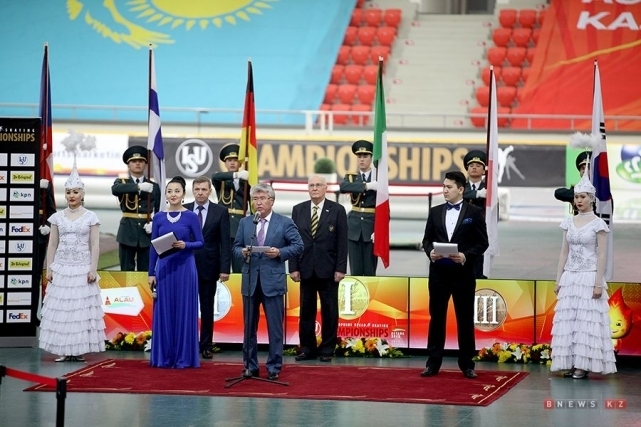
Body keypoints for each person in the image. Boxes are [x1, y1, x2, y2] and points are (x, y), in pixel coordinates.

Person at [420, 171, 489, 379]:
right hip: (438, 274)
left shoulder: (474, 213)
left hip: (463, 274)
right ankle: (433, 363)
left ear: (461, 189)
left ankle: (467, 364)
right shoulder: (435, 212)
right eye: (443, 186)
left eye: (449, 187)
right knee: (437, 318)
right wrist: (430, 252)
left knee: (465, 319)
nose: (445, 190)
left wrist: (465, 255)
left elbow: (483, 243)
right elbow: (426, 240)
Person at [233, 183, 304, 380]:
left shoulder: (284, 222)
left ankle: (274, 367)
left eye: (262, 198)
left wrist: (280, 252)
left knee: (275, 328)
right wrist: (242, 252)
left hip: (273, 282)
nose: (258, 202)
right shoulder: (246, 222)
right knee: (249, 328)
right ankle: (250, 366)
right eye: (255, 199)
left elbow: (298, 245)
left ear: (271, 201)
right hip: (250, 282)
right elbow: (235, 247)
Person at [550, 172, 616, 379]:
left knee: (586, 323)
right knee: (569, 322)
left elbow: (602, 254)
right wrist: (558, 279)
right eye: (577, 197)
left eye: (583, 197)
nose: (579, 200)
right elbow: (563, 253)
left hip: (589, 277)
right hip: (570, 277)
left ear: (591, 199)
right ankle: (571, 362)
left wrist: (598, 284)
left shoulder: (598, 224)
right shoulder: (568, 222)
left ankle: (583, 365)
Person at [39, 161, 105, 362]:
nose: (72, 195)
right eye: (68, 192)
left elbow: (95, 245)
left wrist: (93, 269)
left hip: (82, 268)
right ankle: (63, 349)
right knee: (63, 310)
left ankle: (78, 349)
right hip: (62, 268)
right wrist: (49, 268)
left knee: (79, 310)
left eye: (75, 192)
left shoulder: (91, 217)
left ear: (82, 194)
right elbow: (52, 244)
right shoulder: (57, 217)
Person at [290, 175, 348, 363]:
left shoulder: (337, 210)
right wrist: (293, 267)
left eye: (318, 185)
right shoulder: (298, 210)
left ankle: (327, 349)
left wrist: (340, 268)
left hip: (329, 270)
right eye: (311, 185)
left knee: (330, 311)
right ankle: (307, 348)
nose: (314, 188)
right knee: (306, 311)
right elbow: (292, 240)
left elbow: (342, 242)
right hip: (305, 268)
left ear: (325, 188)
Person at [148, 176, 204, 368]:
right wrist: (151, 272)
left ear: (183, 194)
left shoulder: (191, 216)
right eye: (170, 191)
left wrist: (186, 244)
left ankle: (184, 357)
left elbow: (200, 242)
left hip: (185, 268)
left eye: (177, 191)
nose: (173, 194)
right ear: (165, 194)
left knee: (184, 310)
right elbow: (153, 246)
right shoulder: (158, 217)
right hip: (164, 268)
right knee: (164, 310)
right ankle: (164, 357)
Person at [183, 176, 231, 359]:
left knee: (207, 308)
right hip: (185, 266)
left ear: (210, 191)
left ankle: (206, 345)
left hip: (209, 267)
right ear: (192, 191)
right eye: (197, 189)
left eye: (204, 189)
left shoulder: (221, 211)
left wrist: (225, 268)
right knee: (186, 307)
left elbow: (225, 242)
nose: (200, 193)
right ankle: (186, 344)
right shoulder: (184, 210)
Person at [111, 145, 161, 271]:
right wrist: (138, 187)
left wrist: (154, 223)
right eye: (133, 161)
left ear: (145, 164)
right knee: (126, 270)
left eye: (141, 161)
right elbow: (115, 190)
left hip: (146, 232)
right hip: (127, 232)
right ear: (128, 165)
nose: (137, 163)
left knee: (146, 270)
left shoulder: (154, 186)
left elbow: (159, 209)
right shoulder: (122, 183)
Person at [339, 139, 377, 276]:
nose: (362, 159)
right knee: (355, 269)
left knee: (369, 269)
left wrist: (379, 229)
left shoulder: (378, 177)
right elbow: (343, 187)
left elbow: (385, 207)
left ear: (371, 158)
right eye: (359, 156)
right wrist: (367, 186)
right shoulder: (351, 177)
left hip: (371, 225)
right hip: (354, 226)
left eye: (365, 156)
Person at [212, 144, 251, 273]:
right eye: (229, 160)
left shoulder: (247, 182)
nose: (232, 163)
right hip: (224, 225)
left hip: (240, 226)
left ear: (240, 163)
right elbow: (215, 177)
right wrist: (236, 175)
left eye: (235, 160)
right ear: (225, 163)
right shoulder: (220, 179)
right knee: (221, 264)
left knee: (239, 265)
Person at [462, 150, 488, 279]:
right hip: (463, 227)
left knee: (479, 256)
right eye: (471, 165)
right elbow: (459, 194)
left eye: (478, 165)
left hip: (480, 227)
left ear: (484, 170)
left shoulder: (488, 187)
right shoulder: (461, 185)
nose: (474, 168)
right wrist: (477, 194)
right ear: (467, 169)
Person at [35, 178, 56, 326]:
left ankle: (32, 314)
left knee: (36, 276)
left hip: (38, 236)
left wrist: (48, 225)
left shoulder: (45, 183)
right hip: (15, 235)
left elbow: (51, 211)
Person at [554, 151, 591, 215]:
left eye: (588, 168)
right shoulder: (577, 189)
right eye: (583, 168)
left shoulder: (601, 190)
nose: (585, 171)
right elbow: (558, 193)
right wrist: (579, 192)